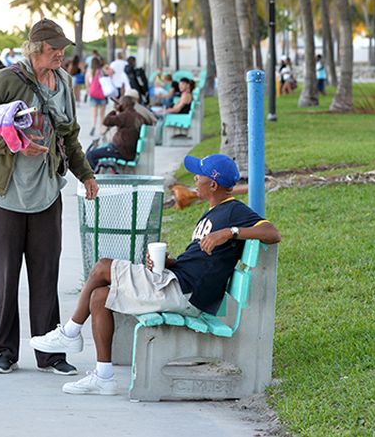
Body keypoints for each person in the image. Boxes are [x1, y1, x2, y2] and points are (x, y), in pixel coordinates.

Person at [30, 153, 281, 395]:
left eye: (199, 175)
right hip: (178, 282)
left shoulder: (233, 211)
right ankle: (103, 377)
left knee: (102, 267)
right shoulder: (213, 213)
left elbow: (272, 233)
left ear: (213, 184)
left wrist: (229, 232)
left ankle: (70, 333)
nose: (195, 179)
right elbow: (203, 263)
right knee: (99, 297)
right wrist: (170, 263)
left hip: (184, 292)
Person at [0, 18, 99, 376]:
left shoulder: (64, 82)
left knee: (46, 277)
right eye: (55, 48)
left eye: (63, 48)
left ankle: (49, 354)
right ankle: (5, 352)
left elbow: (69, 136)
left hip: (47, 194)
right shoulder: (6, 80)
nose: (61, 54)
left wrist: (85, 174)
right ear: (37, 48)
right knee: (6, 279)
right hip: (7, 195)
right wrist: (15, 145)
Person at [85, 95, 143, 170]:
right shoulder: (137, 116)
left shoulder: (125, 116)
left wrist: (114, 110)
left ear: (123, 105)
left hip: (120, 151)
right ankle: (97, 171)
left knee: (90, 155)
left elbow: (106, 121)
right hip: (127, 151)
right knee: (94, 153)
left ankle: (95, 175)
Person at [87, 60, 112, 136]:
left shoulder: (90, 72)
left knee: (94, 113)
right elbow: (111, 72)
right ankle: (102, 129)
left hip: (93, 95)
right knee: (102, 114)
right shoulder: (102, 71)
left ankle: (93, 126)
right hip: (102, 95)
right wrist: (106, 66)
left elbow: (88, 84)